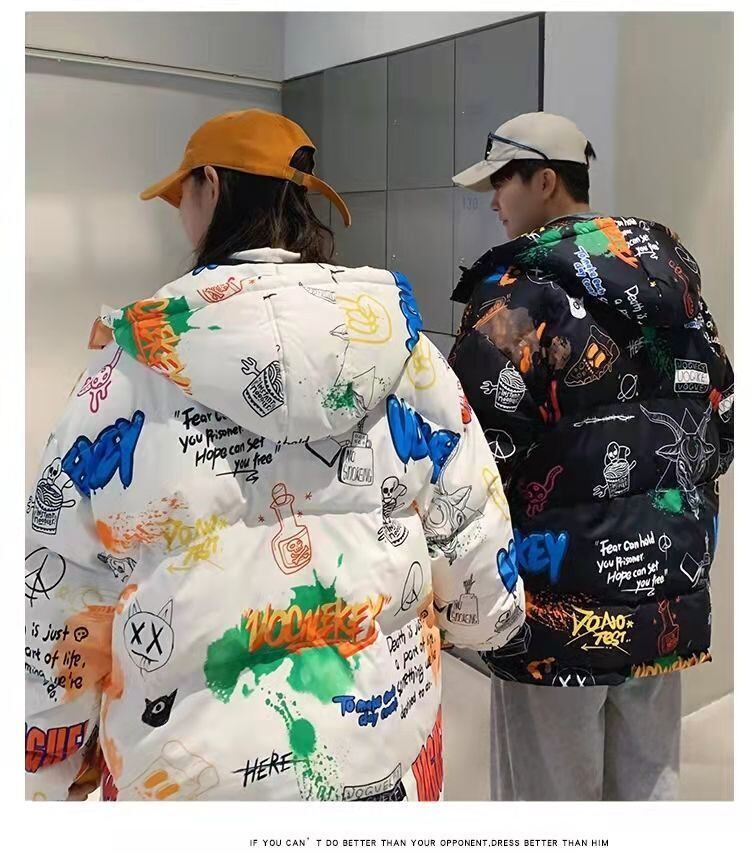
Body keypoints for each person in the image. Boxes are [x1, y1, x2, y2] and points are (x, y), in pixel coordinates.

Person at [24, 108, 525, 802]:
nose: (181, 215)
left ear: (210, 185)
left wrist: (48, 762)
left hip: (185, 783)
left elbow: (61, 584)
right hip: (378, 761)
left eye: (182, 195)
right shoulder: (406, 352)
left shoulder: (129, 371)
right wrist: (485, 616)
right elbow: (474, 547)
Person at [450, 111, 734, 801]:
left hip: (556, 605)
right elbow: (719, 419)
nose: (493, 202)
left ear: (545, 181)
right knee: (648, 789)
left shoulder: (518, 297)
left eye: (501, 182)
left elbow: (470, 449)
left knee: (548, 801)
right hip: (664, 588)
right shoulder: (675, 289)